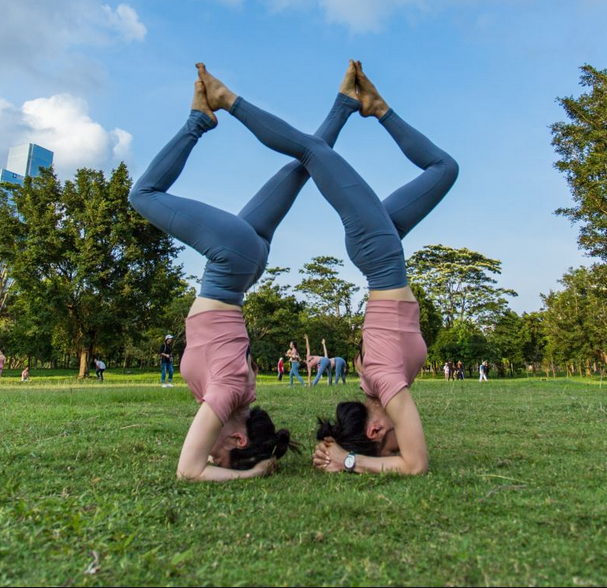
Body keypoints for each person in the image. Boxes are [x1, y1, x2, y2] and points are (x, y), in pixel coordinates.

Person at [194, 60, 456, 476]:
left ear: (374, 430)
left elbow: (415, 465)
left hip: (379, 254)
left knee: (311, 153)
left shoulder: (385, 387)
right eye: (394, 446)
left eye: (388, 443)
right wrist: (349, 456)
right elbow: (413, 463)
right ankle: (373, 107)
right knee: (445, 170)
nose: (399, 440)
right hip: (384, 255)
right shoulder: (385, 388)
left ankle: (229, 101)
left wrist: (347, 458)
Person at [127, 67, 362, 481]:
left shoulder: (236, 394)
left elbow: (201, 460)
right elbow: (189, 471)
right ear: (237, 440)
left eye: (215, 460)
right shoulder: (228, 395)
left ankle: (345, 104)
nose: (211, 456)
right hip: (231, 262)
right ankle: (199, 119)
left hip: (243, 269)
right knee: (142, 195)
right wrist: (251, 473)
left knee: (302, 168)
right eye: (223, 458)